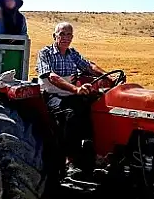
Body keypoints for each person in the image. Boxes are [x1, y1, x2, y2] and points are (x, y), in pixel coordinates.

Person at [35, 22, 110, 174]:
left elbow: (89, 66)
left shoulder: (72, 53)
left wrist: (107, 76)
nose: (65, 38)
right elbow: (52, 77)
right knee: (70, 114)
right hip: (52, 94)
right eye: (62, 34)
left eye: (69, 34)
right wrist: (75, 89)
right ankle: (69, 159)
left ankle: (95, 153)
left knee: (95, 107)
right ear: (54, 36)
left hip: (72, 93)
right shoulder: (45, 53)